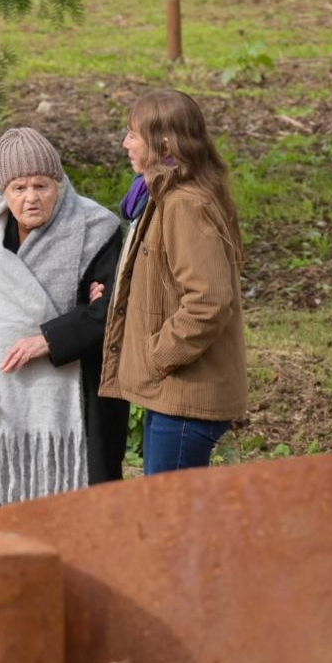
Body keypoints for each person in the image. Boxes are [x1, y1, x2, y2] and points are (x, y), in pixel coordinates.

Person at [0, 127, 127, 507]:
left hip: (84, 393)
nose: (31, 198)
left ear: (58, 183)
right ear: (3, 192)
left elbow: (113, 311)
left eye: (41, 186)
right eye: (19, 188)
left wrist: (47, 339)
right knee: (2, 503)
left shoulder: (97, 229)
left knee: (89, 505)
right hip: (4, 393)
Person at [99, 89, 247, 474]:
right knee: (178, 521)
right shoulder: (162, 196)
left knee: (172, 526)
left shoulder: (184, 205)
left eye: (134, 134)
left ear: (164, 142)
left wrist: (156, 357)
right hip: (172, 395)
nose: (125, 143)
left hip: (185, 396)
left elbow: (209, 301)